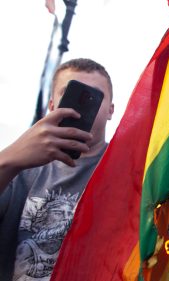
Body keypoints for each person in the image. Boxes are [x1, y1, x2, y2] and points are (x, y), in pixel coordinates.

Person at [0, 58, 114, 280]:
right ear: (52, 105)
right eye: (70, 92)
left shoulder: (129, 168)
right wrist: (7, 161)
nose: (83, 104)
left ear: (111, 110)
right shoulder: (19, 167)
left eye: (94, 96)